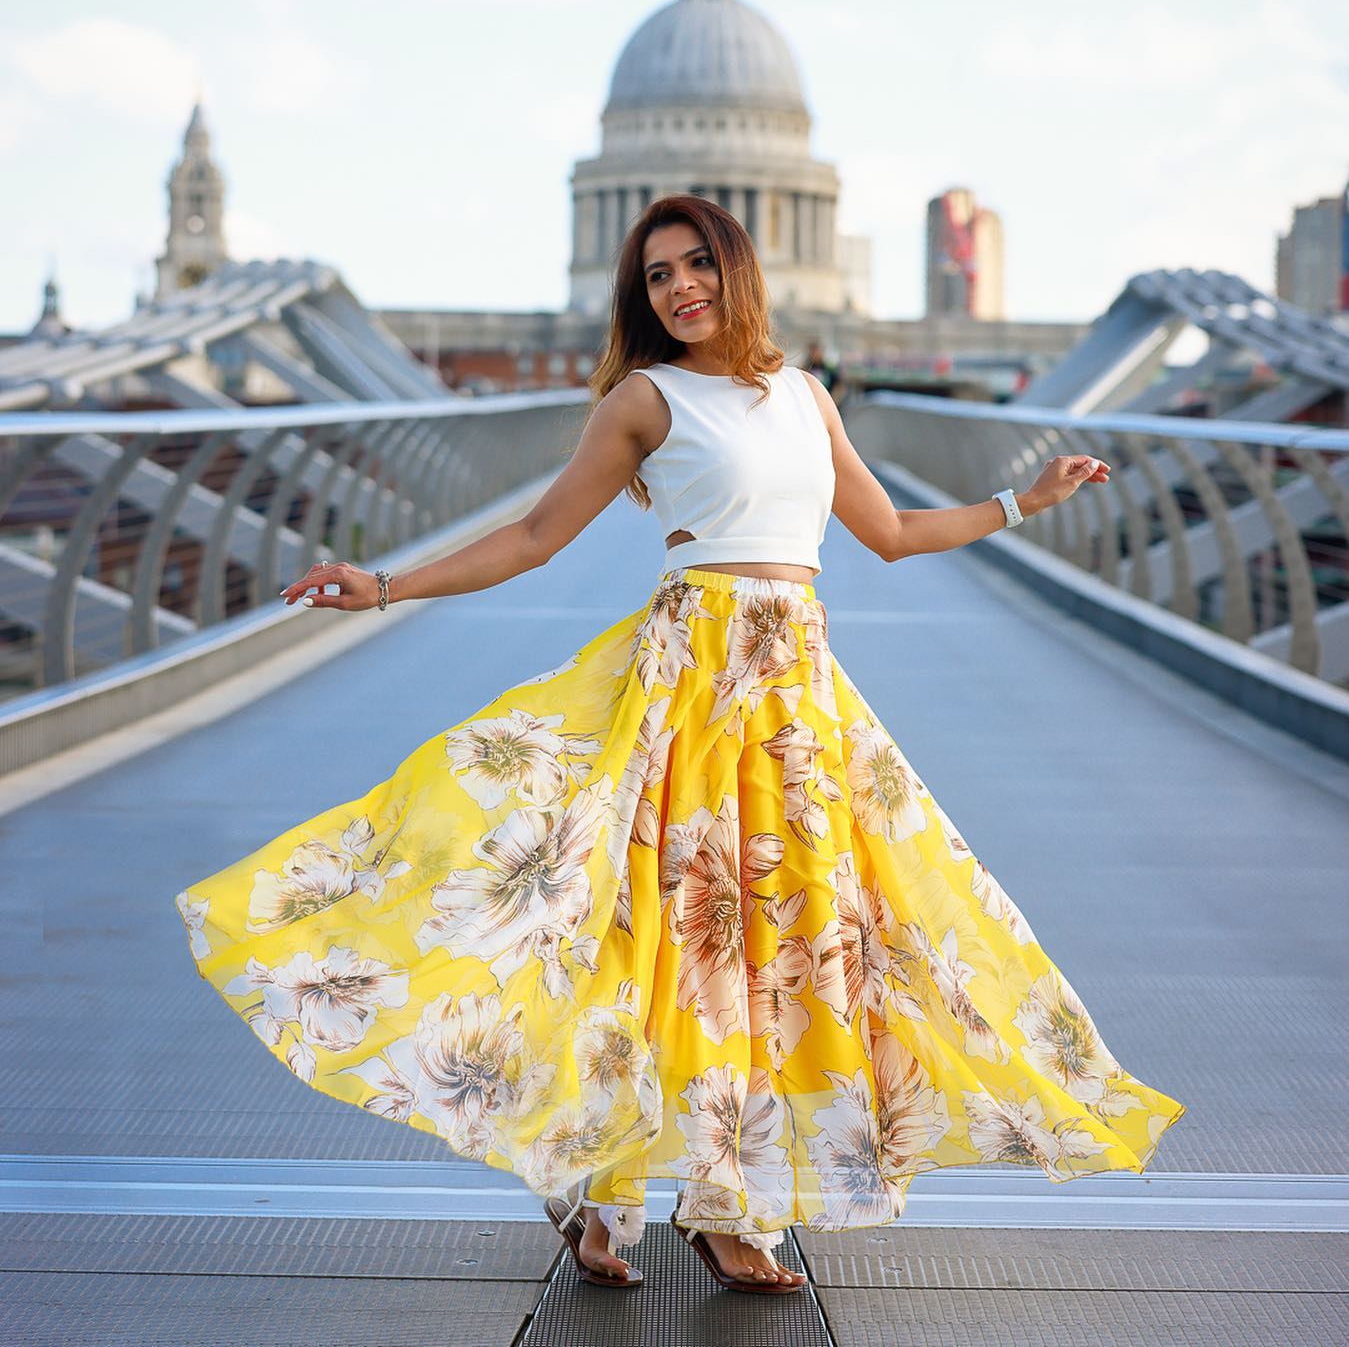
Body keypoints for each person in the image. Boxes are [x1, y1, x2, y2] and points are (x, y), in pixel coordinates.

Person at [176, 195, 1183, 1297]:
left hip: (794, 703)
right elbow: (531, 535)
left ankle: (703, 1198)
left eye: (696, 263)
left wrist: (1019, 501)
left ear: (735, 266)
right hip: (687, 692)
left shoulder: (805, 396)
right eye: (656, 275)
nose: (678, 287)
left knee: (796, 941)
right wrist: (383, 585)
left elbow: (888, 535)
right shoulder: (642, 401)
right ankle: (637, 1189)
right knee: (665, 941)